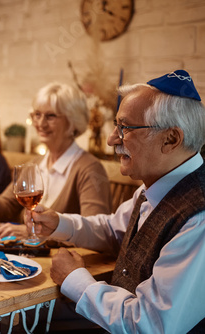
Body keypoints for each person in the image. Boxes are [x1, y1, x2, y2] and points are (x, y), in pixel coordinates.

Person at [28, 70, 205, 333]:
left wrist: (75, 279)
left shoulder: (197, 218)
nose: (113, 139)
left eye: (125, 128)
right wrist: (59, 223)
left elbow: (149, 324)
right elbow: (113, 229)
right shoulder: (156, 187)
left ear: (170, 139)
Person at [0, 83, 111, 239]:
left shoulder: (90, 169)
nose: (40, 123)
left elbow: (96, 234)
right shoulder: (36, 164)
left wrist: (30, 232)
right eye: (37, 114)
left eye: (50, 116)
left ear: (72, 121)